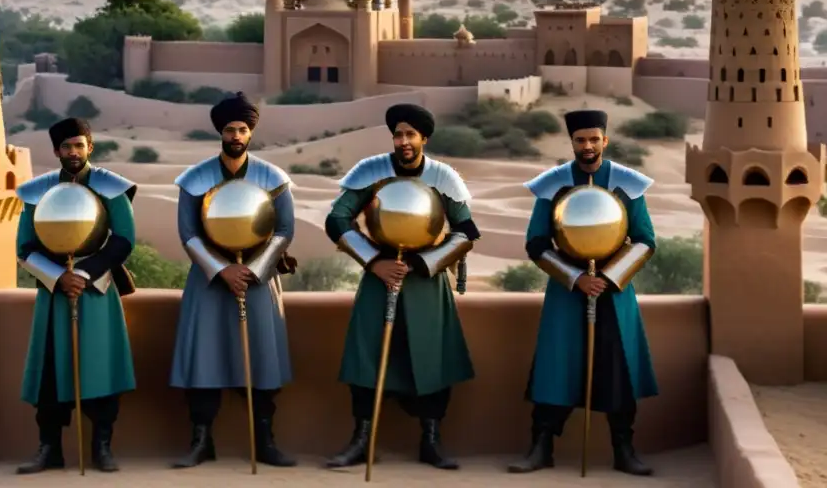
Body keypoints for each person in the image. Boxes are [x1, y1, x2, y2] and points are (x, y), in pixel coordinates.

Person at [324, 103, 479, 471]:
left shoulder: (444, 176)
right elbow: (337, 218)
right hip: (380, 277)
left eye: (411, 134)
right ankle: (361, 439)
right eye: (398, 134)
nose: (404, 141)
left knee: (433, 359)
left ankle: (431, 440)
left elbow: (466, 231)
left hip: (426, 281)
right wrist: (374, 262)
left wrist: (423, 263)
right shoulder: (370, 171)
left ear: (424, 138)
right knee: (367, 358)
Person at [508, 109, 658, 477]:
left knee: (617, 368)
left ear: (605, 141)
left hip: (615, 290)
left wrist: (608, 278)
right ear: (572, 142)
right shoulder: (553, 184)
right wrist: (576, 279)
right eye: (580, 140)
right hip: (567, 290)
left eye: (594, 139)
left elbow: (644, 241)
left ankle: (624, 449)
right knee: (555, 367)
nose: (587, 146)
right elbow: (537, 243)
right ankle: (541, 447)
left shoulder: (627, 183)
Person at [169, 92, 298, 469]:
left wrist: (253, 271)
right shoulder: (195, 180)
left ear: (250, 132)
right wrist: (223, 270)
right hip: (209, 281)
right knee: (204, 361)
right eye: (230, 129)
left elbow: (284, 231)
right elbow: (188, 234)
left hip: (258, 278)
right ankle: (201, 441)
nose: (236, 135)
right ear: (220, 133)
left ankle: (265, 441)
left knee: (260, 359)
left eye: (243, 129)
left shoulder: (273, 179)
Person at [14, 117, 138, 474]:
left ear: (90, 147)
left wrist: (83, 274)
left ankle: (101, 447)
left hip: (96, 289)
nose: (73, 152)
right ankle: (49, 448)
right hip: (54, 294)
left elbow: (124, 239)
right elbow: (24, 247)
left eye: (79, 145)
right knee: (50, 374)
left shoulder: (109, 188)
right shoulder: (36, 192)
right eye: (66, 147)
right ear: (56, 151)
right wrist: (59, 277)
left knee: (100, 368)